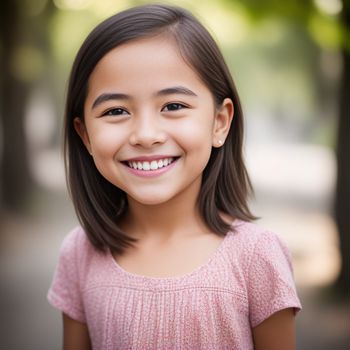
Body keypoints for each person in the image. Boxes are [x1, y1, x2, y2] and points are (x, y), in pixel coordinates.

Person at [47, 4, 301, 349]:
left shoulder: (256, 256)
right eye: (116, 111)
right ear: (85, 135)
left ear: (219, 122)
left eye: (173, 106)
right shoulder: (80, 254)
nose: (146, 135)